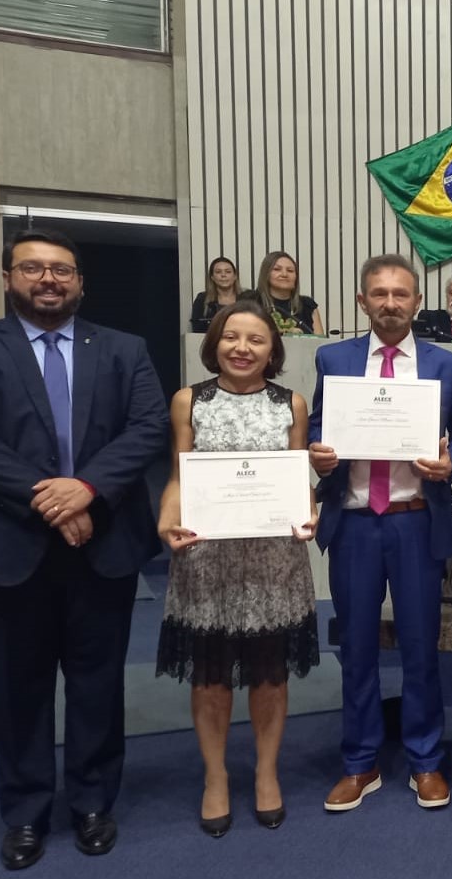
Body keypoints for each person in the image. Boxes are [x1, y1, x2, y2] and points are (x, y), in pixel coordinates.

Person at [0, 228, 168, 870]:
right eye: (33, 268)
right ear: (9, 276)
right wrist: (52, 499)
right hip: (6, 545)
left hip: (106, 542)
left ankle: (93, 800)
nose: (48, 279)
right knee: (18, 687)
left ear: (80, 282)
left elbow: (148, 426)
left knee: (97, 685)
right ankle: (26, 812)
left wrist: (88, 488)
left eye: (62, 270)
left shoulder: (124, 349)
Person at [307, 253, 452, 812]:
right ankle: (360, 761)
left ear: (417, 302)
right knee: (355, 649)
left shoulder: (448, 367)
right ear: (362, 301)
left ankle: (426, 759)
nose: (390, 303)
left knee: (421, 647)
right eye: (378, 294)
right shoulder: (334, 358)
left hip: (414, 523)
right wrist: (319, 454)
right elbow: (316, 426)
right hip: (354, 523)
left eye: (401, 294)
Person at [155, 299, 321, 837]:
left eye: (256, 339)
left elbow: (298, 481)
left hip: (275, 560)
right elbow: (180, 476)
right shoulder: (190, 401)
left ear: (272, 349)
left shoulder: (290, 404)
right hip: (207, 558)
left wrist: (308, 511)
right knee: (210, 677)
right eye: (232, 337)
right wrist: (166, 519)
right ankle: (215, 777)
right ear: (215, 343)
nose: (243, 348)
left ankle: (267, 773)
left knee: (269, 675)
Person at [258, 250, 325, 335]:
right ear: (266, 274)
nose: (284, 274)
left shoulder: (307, 305)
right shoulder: (252, 301)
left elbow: (319, 343)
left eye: (290, 270)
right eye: (277, 269)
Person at [189, 256, 239, 332]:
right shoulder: (202, 299)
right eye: (218, 272)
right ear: (212, 277)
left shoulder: (247, 298)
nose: (223, 275)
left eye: (228, 272)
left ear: (235, 276)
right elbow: (197, 328)